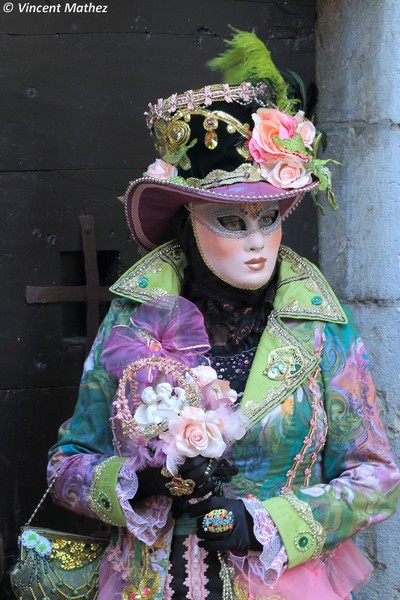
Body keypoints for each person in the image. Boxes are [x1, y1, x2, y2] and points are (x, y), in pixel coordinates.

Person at [47, 30, 399, 599]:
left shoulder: (320, 328)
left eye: (269, 217)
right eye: (231, 222)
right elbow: (68, 464)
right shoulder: (135, 321)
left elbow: (376, 477)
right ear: (187, 222)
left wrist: (266, 526)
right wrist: (138, 484)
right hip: (147, 584)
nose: (258, 242)